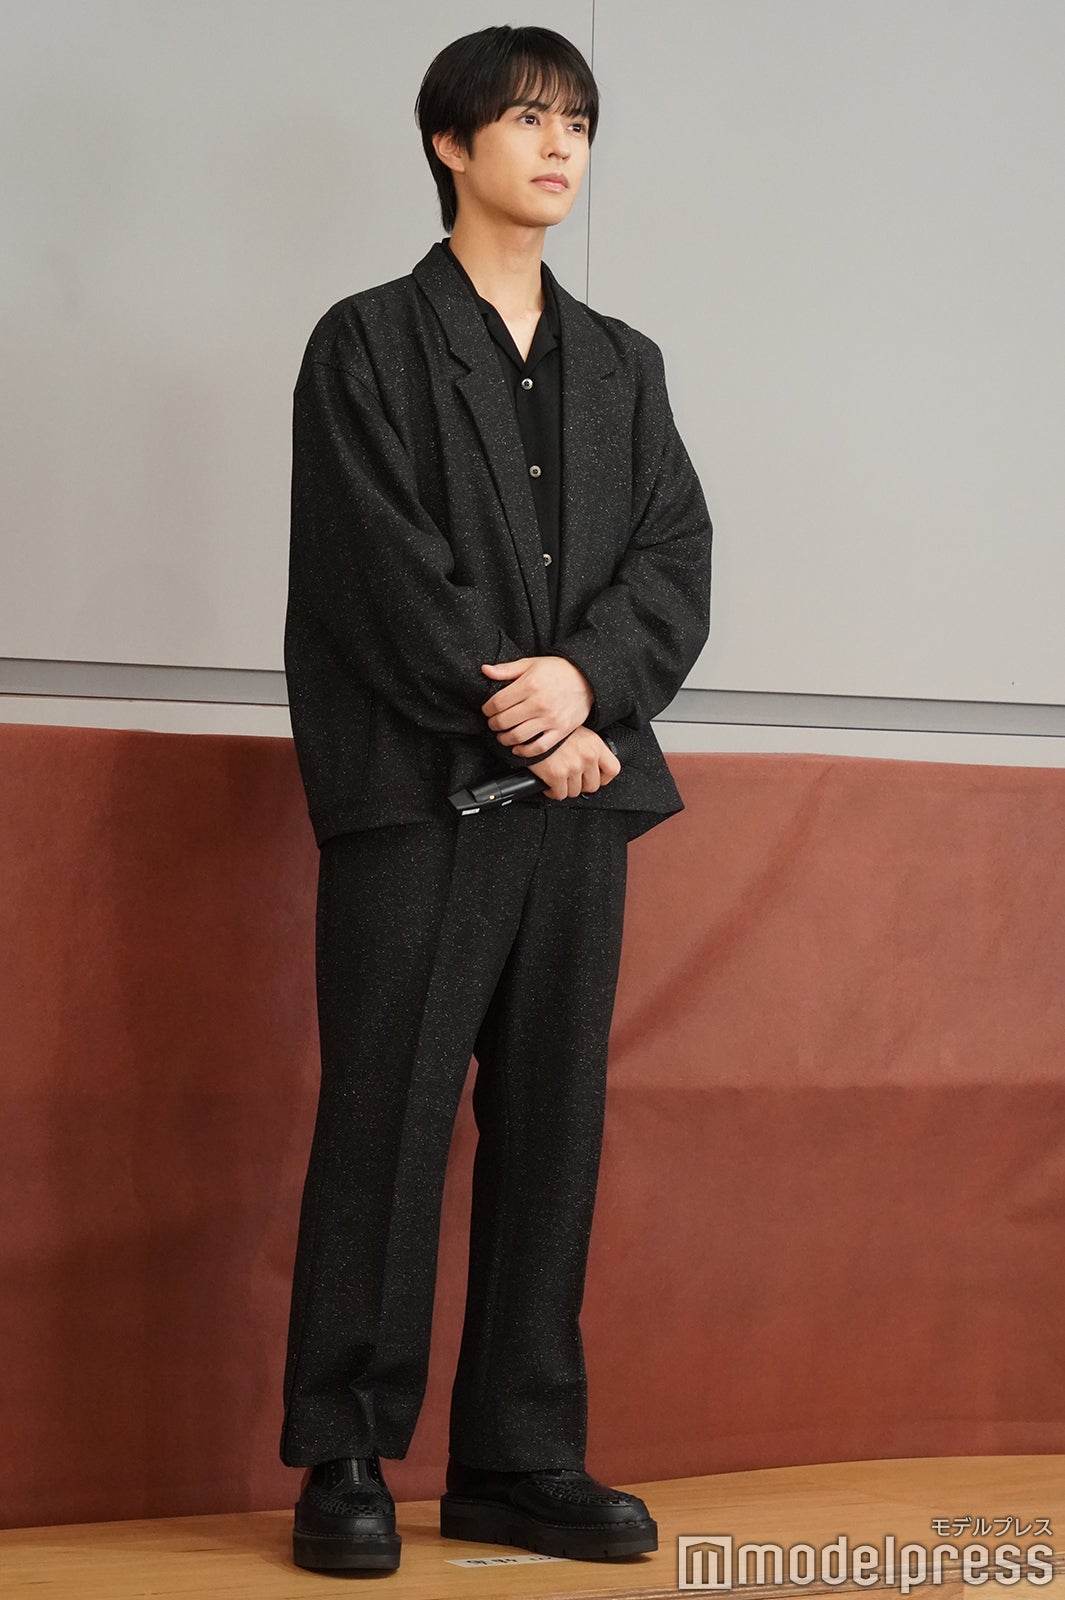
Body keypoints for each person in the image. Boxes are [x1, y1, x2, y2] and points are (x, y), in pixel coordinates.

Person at [280, 23, 713, 1575]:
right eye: (527, 119)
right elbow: (375, 567)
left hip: (576, 807)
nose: (558, 145)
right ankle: (344, 1454)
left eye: (577, 122)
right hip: (416, 798)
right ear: (450, 144)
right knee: (384, 1119)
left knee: (552, 1128)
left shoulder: (623, 367)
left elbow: (673, 560)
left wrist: (586, 683)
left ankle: (518, 1461)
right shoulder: (366, 344)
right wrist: (523, 714)